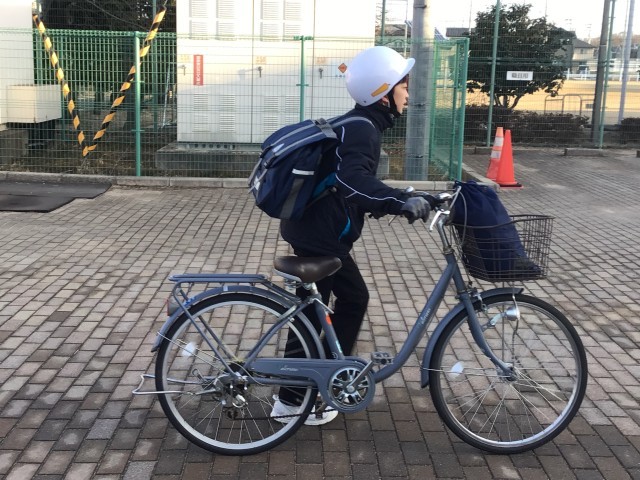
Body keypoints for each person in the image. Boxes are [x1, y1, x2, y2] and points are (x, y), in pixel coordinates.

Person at [271, 46, 434, 425]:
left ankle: (316, 386)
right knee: (335, 306)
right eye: (403, 86)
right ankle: (298, 399)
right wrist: (398, 201)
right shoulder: (361, 129)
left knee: (327, 307)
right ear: (383, 92)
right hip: (321, 237)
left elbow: (348, 182)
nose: (408, 94)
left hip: (314, 231)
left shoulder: (356, 124)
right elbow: (352, 182)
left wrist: (402, 197)